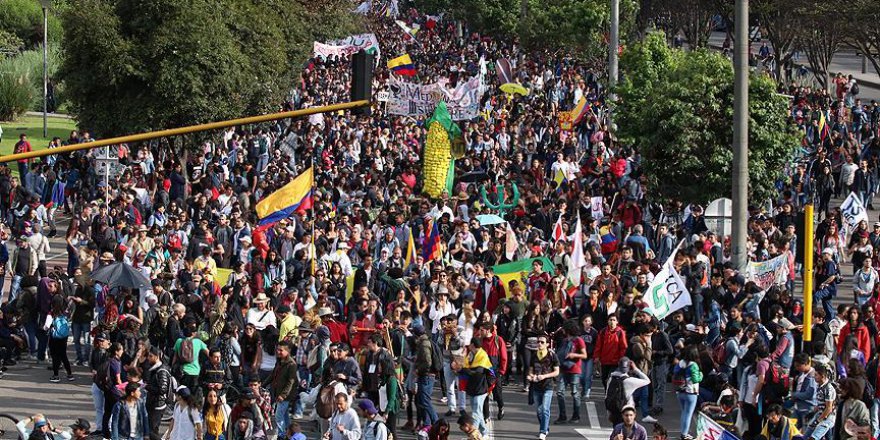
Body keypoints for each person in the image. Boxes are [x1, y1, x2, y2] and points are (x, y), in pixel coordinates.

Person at [528, 334, 560, 440]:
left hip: (548, 386)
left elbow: (556, 372)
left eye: (542, 342)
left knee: (545, 409)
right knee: (539, 410)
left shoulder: (552, 355)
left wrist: (545, 376)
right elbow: (530, 370)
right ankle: (545, 427)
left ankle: (542, 432)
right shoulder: (534, 355)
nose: (539, 344)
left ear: (547, 344)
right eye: (538, 342)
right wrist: (531, 376)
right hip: (537, 386)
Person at [673, 346, 702, 440]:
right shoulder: (693, 365)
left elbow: (674, 372)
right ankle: (684, 434)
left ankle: (683, 432)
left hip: (680, 391)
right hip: (691, 392)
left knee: (684, 413)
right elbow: (695, 379)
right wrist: (701, 375)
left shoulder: (680, 363)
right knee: (688, 414)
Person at [47, 302, 74, 383]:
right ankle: (70, 375)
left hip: (54, 338)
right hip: (63, 338)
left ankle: (56, 376)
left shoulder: (51, 314)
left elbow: (46, 326)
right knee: (64, 356)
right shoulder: (64, 314)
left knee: (55, 357)